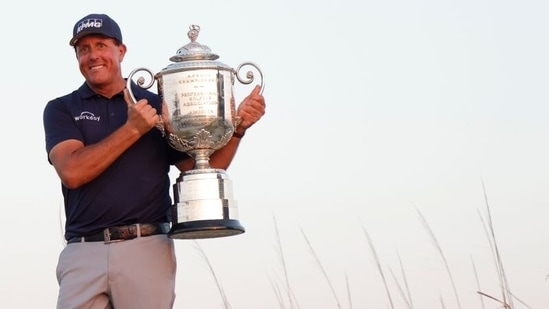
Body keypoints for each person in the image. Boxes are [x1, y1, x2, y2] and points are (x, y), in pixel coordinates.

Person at [43, 13, 266, 309]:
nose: (92, 55)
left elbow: (199, 168)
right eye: (83, 49)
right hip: (83, 251)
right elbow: (72, 171)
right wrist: (133, 129)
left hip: (146, 247)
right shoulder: (61, 109)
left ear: (121, 51)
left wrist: (237, 128)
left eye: (101, 45)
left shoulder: (159, 105)